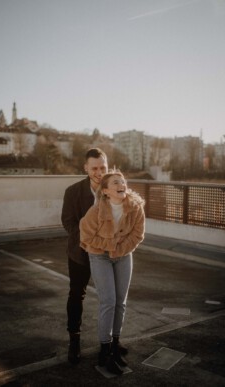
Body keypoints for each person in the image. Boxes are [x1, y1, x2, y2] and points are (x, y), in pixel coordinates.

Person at [79, 170, 145, 374]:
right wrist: (110, 246)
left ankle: (115, 345)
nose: (121, 184)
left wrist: (119, 249)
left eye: (123, 181)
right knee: (108, 301)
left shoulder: (135, 207)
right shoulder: (96, 211)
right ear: (106, 191)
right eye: (116, 182)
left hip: (124, 256)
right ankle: (104, 351)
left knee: (120, 302)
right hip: (99, 256)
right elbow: (85, 237)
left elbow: (137, 235)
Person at [61, 148, 108, 365]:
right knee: (76, 295)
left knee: (110, 298)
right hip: (80, 252)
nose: (99, 172)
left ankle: (110, 342)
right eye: (95, 168)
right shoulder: (73, 191)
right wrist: (89, 239)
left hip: (108, 254)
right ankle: (74, 341)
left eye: (103, 167)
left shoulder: (114, 188)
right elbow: (68, 222)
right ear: (86, 168)